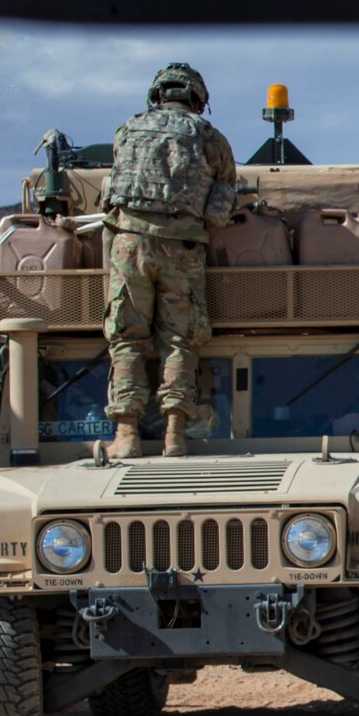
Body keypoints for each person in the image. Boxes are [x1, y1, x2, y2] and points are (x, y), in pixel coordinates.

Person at [101, 63, 237, 459]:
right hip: (183, 247)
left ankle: (126, 436)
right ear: (197, 100)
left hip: (129, 246)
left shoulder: (127, 130)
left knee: (127, 338)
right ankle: (174, 434)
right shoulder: (210, 137)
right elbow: (218, 208)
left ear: (157, 96)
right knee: (180, 340)